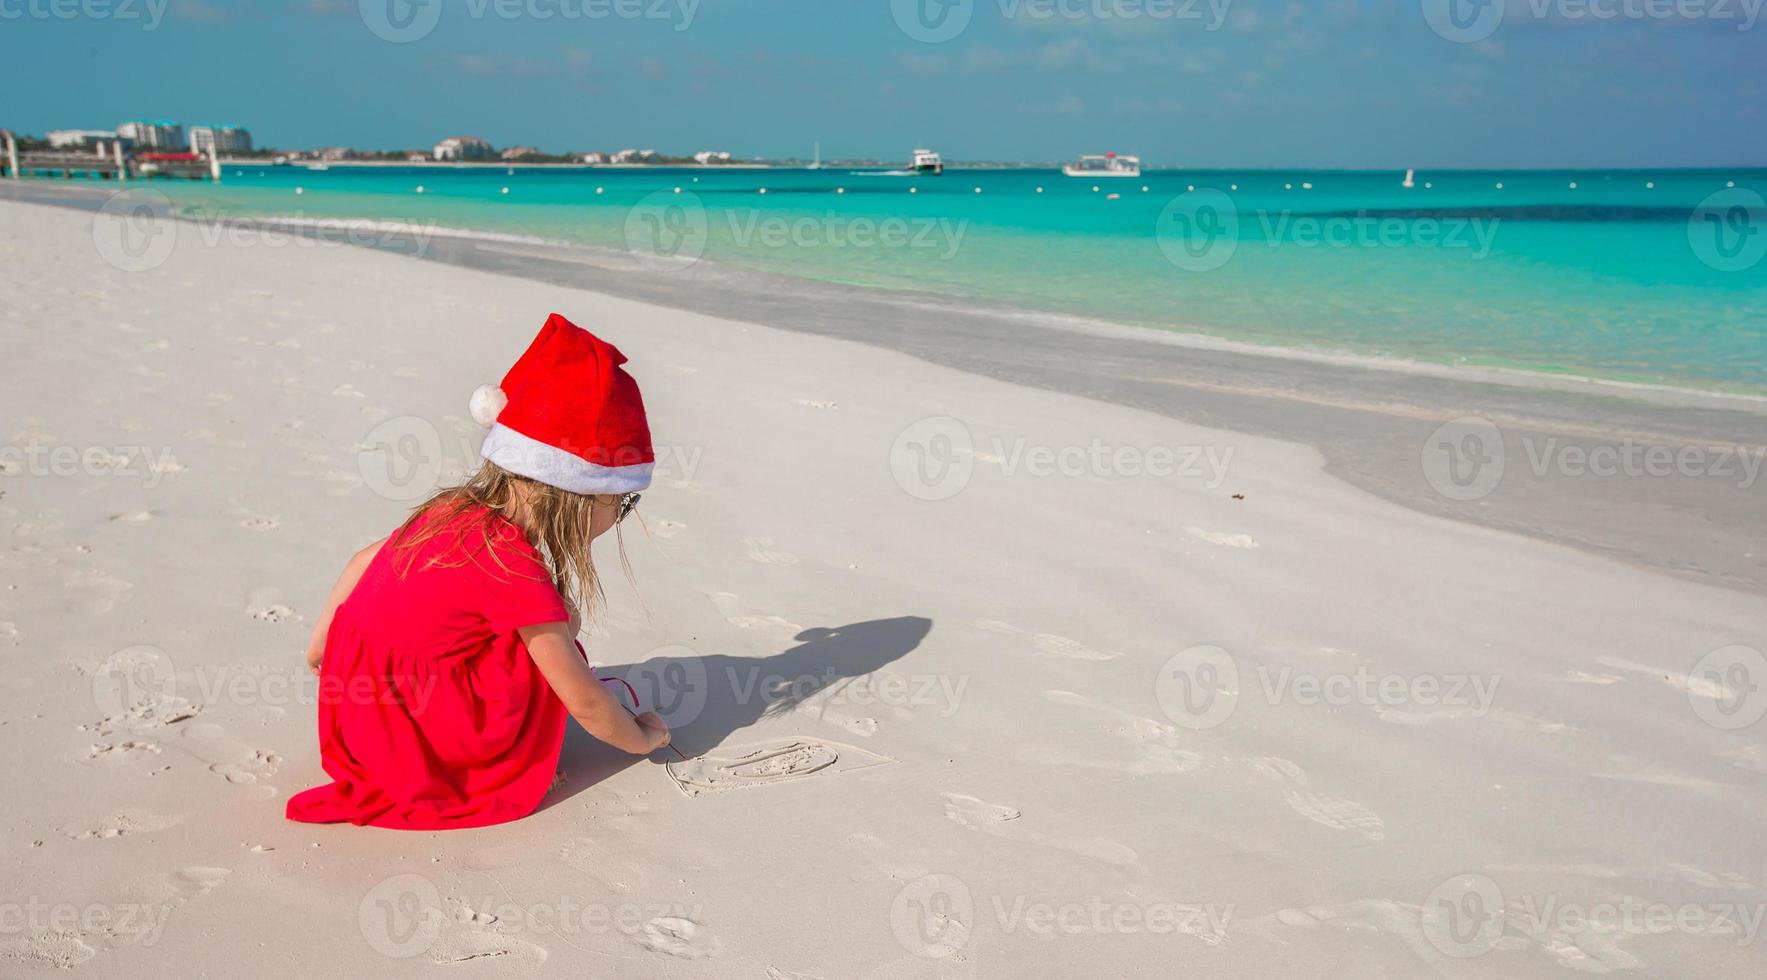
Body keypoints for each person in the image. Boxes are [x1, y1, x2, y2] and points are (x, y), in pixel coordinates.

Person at [286, 313, 670, 830]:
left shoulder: (450, 510)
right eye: (621, 502)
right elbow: (585, 701)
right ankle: (492, 766)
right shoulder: (511, 564)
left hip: (356, 715)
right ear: (579, 495)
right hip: (410, 750)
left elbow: (362, 561)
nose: (620, 513)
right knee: (555, 644)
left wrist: (321, 649)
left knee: (551, 620)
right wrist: (645, 737)